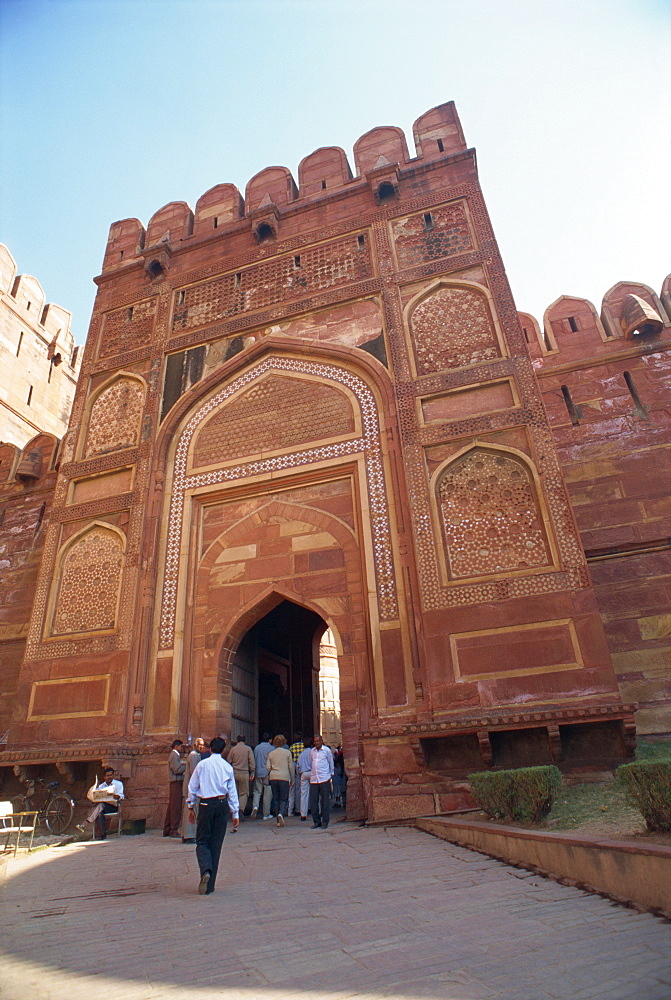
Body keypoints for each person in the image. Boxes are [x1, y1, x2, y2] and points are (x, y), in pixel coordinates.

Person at [187, 736, 239, 895]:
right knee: (216, 844)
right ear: (223, 750)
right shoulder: (227, 767)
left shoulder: (202, 765)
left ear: (210, 749)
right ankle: (210, 886)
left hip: (205, 805)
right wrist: (235, 812)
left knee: (202, 841)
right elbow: (232, 791)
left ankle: (205, 870)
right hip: (222, 805)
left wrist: (190, 806)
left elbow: (192, 785)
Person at [78, 766, 124, 840]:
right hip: (102, 807)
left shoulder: (118, 784)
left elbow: (121, 795)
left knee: (101, 806)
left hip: (113, 807)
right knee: (99, 813)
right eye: (108, 776)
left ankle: (86, 822)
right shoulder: (101, 786)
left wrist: (117, 796)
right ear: (104, 777)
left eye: (111, 775)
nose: (110, 777)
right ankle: (103, 835)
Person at [226, 734, 255, 825]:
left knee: (233, 793)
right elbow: (251, 761)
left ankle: (233, 810)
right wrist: (252, 772)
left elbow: (228, 761)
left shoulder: (233, 749)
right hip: (244, 773)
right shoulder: (248, 749)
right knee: (244, 793)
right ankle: (241, 809)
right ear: (245, 740)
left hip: (234, 772)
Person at [181, 738, 205, 843]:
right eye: (199, 745)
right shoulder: (194, 756)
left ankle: (185, 834)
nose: (201, 747)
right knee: (192, 812)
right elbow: (195, 773)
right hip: (192, 789)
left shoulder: (194, 755)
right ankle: (190, 835)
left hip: (190, 788)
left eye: (202, 745)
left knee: (188, 812)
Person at [266, 734, 294, 827]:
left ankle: (278, 820)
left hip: (273, 777)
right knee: (284, 798)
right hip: (284, 777)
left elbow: (268, 767)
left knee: (276, 798)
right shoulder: (287, 753)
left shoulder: (271, 753)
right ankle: (281, 813)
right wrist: (292, 778)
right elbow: (291, 767)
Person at [309, 734, 334, 830]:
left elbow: (330, 762)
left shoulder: (326, 751)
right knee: (314, 801)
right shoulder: (312, 752)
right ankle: (316, 821)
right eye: (315, 741)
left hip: (324, 778)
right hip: (314, 778)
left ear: (321, 741)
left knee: (325, 801)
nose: (316, 743)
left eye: (318, 741)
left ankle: (325, 821)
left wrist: (330, 774)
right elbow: (312, 762)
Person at [163, 739, 185, 837]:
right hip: (176, 782)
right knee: (176, 806)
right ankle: (173, 829)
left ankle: (167, 828)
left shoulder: (174, 755)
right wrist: (186, 766)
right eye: (180, 746)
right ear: (176, 746)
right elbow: (177, 769)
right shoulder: (174, 755)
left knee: (172, 806)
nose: (181, 749)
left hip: (175, 782)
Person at [251, 733, 273, 820]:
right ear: (269, 740)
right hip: (267, 773)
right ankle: (266, 814)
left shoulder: (257, 748)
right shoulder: (271, 748)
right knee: (267, 794)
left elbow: (254, 759)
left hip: (258, 772)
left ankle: (255, 806)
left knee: (257, 791)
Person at [295, 740, 312, 821]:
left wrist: (299, 775)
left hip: (304, 773)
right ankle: (317, 810)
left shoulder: (301, 755)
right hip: (312, 773)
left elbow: (298, 766)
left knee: (304, 794)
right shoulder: (313, 753)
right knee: (315, 793)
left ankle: (303, 814)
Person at [288, 732, 304, 815]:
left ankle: (297, 808)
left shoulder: (292, 747)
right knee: (304, 789)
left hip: (294, 768)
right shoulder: (304, 746)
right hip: (303, 768)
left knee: (296, 790)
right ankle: (305, 808)